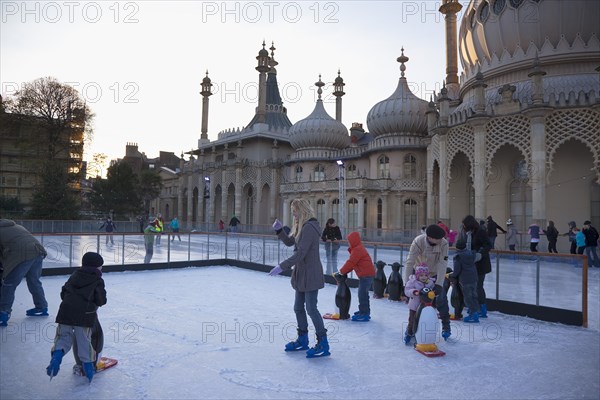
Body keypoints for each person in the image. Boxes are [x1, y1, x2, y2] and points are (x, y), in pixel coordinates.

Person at [269, 199, 329, 358]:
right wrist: (280, 230)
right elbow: (290, 242)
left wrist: (282, 266)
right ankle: (303, 339)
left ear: (302, 211)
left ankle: (323, 342)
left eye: (294, 211)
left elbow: (301, 253)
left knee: (311, 308)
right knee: (298, 307)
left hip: (311, 273)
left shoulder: (310, 227)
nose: (293, 214)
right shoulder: (301, 226)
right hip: (302, 273)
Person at [46, 252, 107, 382]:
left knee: (63, 337)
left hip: (65, 313)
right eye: (101, 267)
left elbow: (63, 293)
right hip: (85, 317)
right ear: (97, 268)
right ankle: (88, 369)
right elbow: (101, 300)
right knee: (84, 341)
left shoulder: (74, 275)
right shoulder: (97, 280)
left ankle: (56, 357)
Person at [403, 224, 451, 339]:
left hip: (434, 275)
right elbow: (410, 262)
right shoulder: (418, 241)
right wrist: (406, 284)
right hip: (419, 275)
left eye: (441, 238)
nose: (440, 240)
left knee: (441, 300)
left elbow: (442, 263)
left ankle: (446, 326)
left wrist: (439, 283)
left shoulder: (444, 244)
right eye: (437, 239)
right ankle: (411, 329)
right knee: (416, 304)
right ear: (429, 237)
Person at [0, 219, 48, 327]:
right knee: (34, 281)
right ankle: (41, 307)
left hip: (22, 255)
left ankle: (3, 313)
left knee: (9, 284)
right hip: (38, 251)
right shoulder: (16, 226)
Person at [336, 231, 375, 321]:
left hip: (366, 275)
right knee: (363, 294)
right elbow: (353, 265)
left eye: (349, 241)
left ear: (354, 240)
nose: (349, 243)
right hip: (366, 275)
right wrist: (344, 272)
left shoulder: (358, 250)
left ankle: (364, 314)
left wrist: (341, 271)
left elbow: (351, 262)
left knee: (362, 294)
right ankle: (364, 311)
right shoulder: (357, 249)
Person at [460, 215, 492, 319]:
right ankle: (475, 307)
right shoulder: (469, 233)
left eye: (464, 224)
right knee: (473, 287)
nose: (463, 227)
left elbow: (488, 245)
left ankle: (482, 309)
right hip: (471, 264)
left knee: (478, 286)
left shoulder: (480, 232)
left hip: (481, 264)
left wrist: (480, 253)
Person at [403, 264, 435, 345]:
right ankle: (409, 333)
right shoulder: (412, 282)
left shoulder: (430, 283)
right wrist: (414, 292)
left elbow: (432, 291)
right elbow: (407, 290)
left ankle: (420, 334)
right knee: (412, 321)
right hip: (414, 307)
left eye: (425, 275)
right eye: (421, 275)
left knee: (422, 321)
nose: (423, 277)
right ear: (417, 275)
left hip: (425, 308)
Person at [449, 238, 479, 322]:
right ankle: (475, 311)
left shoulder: (458, 257)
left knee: (468, 297)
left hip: (465, 279)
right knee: (474, 295)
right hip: (474, 277)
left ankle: (473, 315)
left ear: (457, 247)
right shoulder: (471, 253)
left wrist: (451, 275)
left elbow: (457, 270)